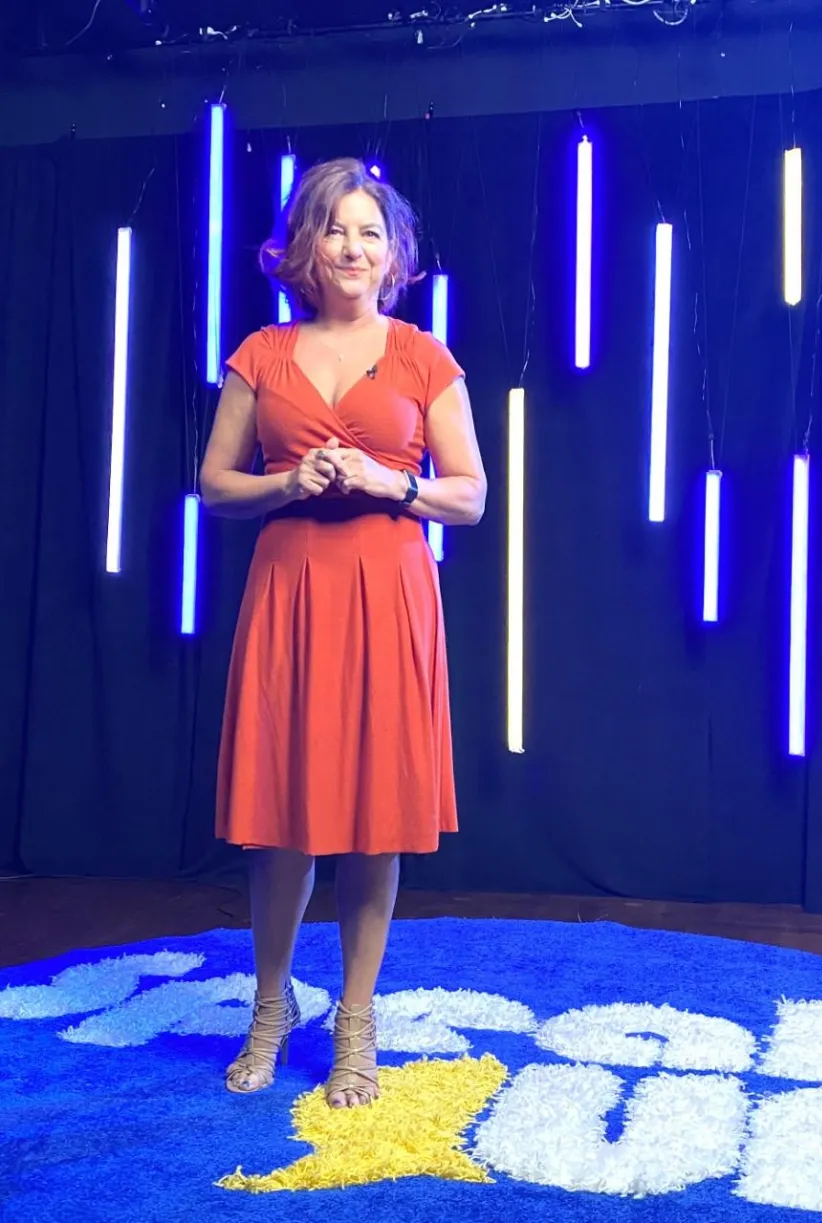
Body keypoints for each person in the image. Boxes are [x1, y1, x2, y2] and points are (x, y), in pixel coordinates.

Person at [199, 157, 486, 1108]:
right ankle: (270, 1006)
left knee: (374, 817)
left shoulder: (423, 355)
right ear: (303, 248)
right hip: (292, 593)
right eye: (334, 229)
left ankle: (356, 1018)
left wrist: (388, 482)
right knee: (282, 816)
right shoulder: (260, 355)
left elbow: (471, 494)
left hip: (389, 593)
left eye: (370, 231)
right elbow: (214, 485)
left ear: (393, 251)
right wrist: (286, 482)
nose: (353, 247)